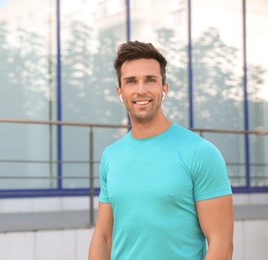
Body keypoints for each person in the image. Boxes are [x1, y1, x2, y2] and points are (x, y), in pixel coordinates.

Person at [88, 40, 233, 260]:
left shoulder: (200, 152)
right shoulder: (111, 156)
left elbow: (221, 243)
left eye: (150, 80)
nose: (141, 90)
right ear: (120, 91)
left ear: (163, 88)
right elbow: (103, 236)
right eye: (131, 81)